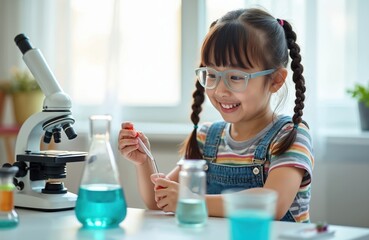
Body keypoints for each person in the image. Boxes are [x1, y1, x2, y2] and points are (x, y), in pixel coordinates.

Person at [118, 8, 314, 223]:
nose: (220, 90)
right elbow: (159, 203)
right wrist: (144, 161)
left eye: (236, 77)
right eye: (211, 74)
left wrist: (190, 200)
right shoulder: (207, 137)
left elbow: (271, 204)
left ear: (276, 80)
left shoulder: (290, 136)